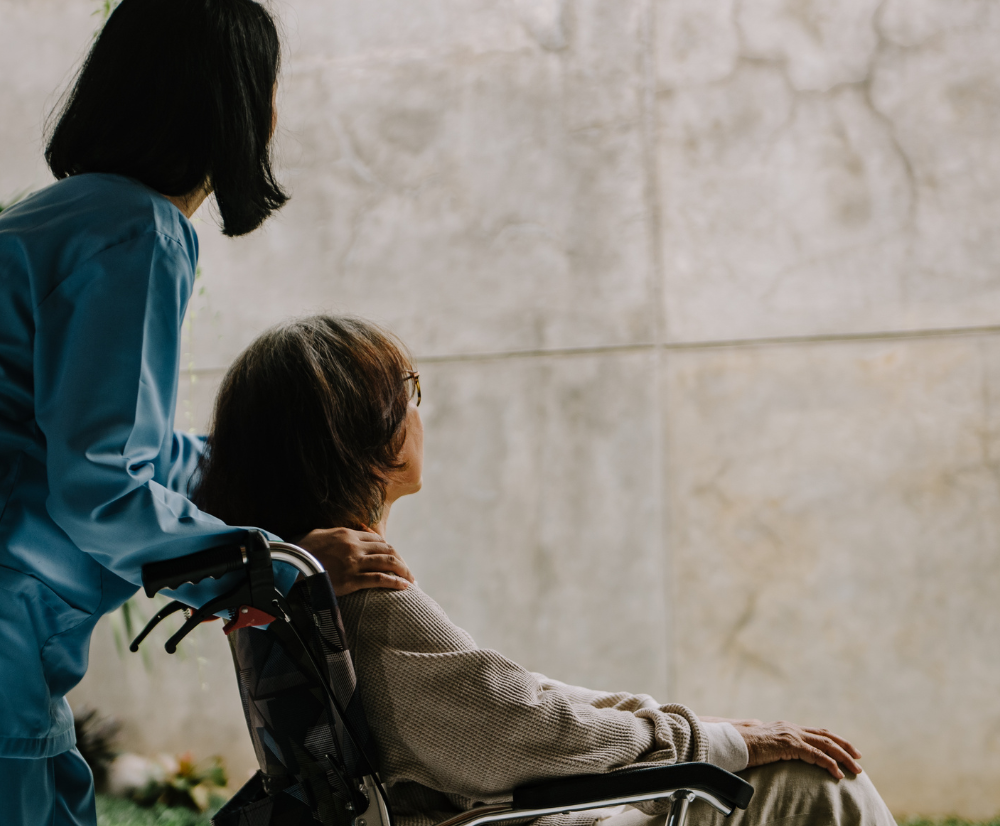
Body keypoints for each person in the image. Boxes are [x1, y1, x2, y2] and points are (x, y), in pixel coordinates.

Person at [0, 0, 411, 826]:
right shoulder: (135, 233)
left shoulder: (64, 218)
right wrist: (279, 568)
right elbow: (102, 484)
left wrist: (259, 469)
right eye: (268, 88)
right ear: (229, 101)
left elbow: (109, 449)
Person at [191, 315, 898, 826]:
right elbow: (531, 732)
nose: (417, 411)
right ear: (366, 442)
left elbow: (520, 704)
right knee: (819, 781)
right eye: (407, 393)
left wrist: (697, 728)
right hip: (509, 815)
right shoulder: (368, 603)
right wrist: (720, 741)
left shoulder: (291, 585)